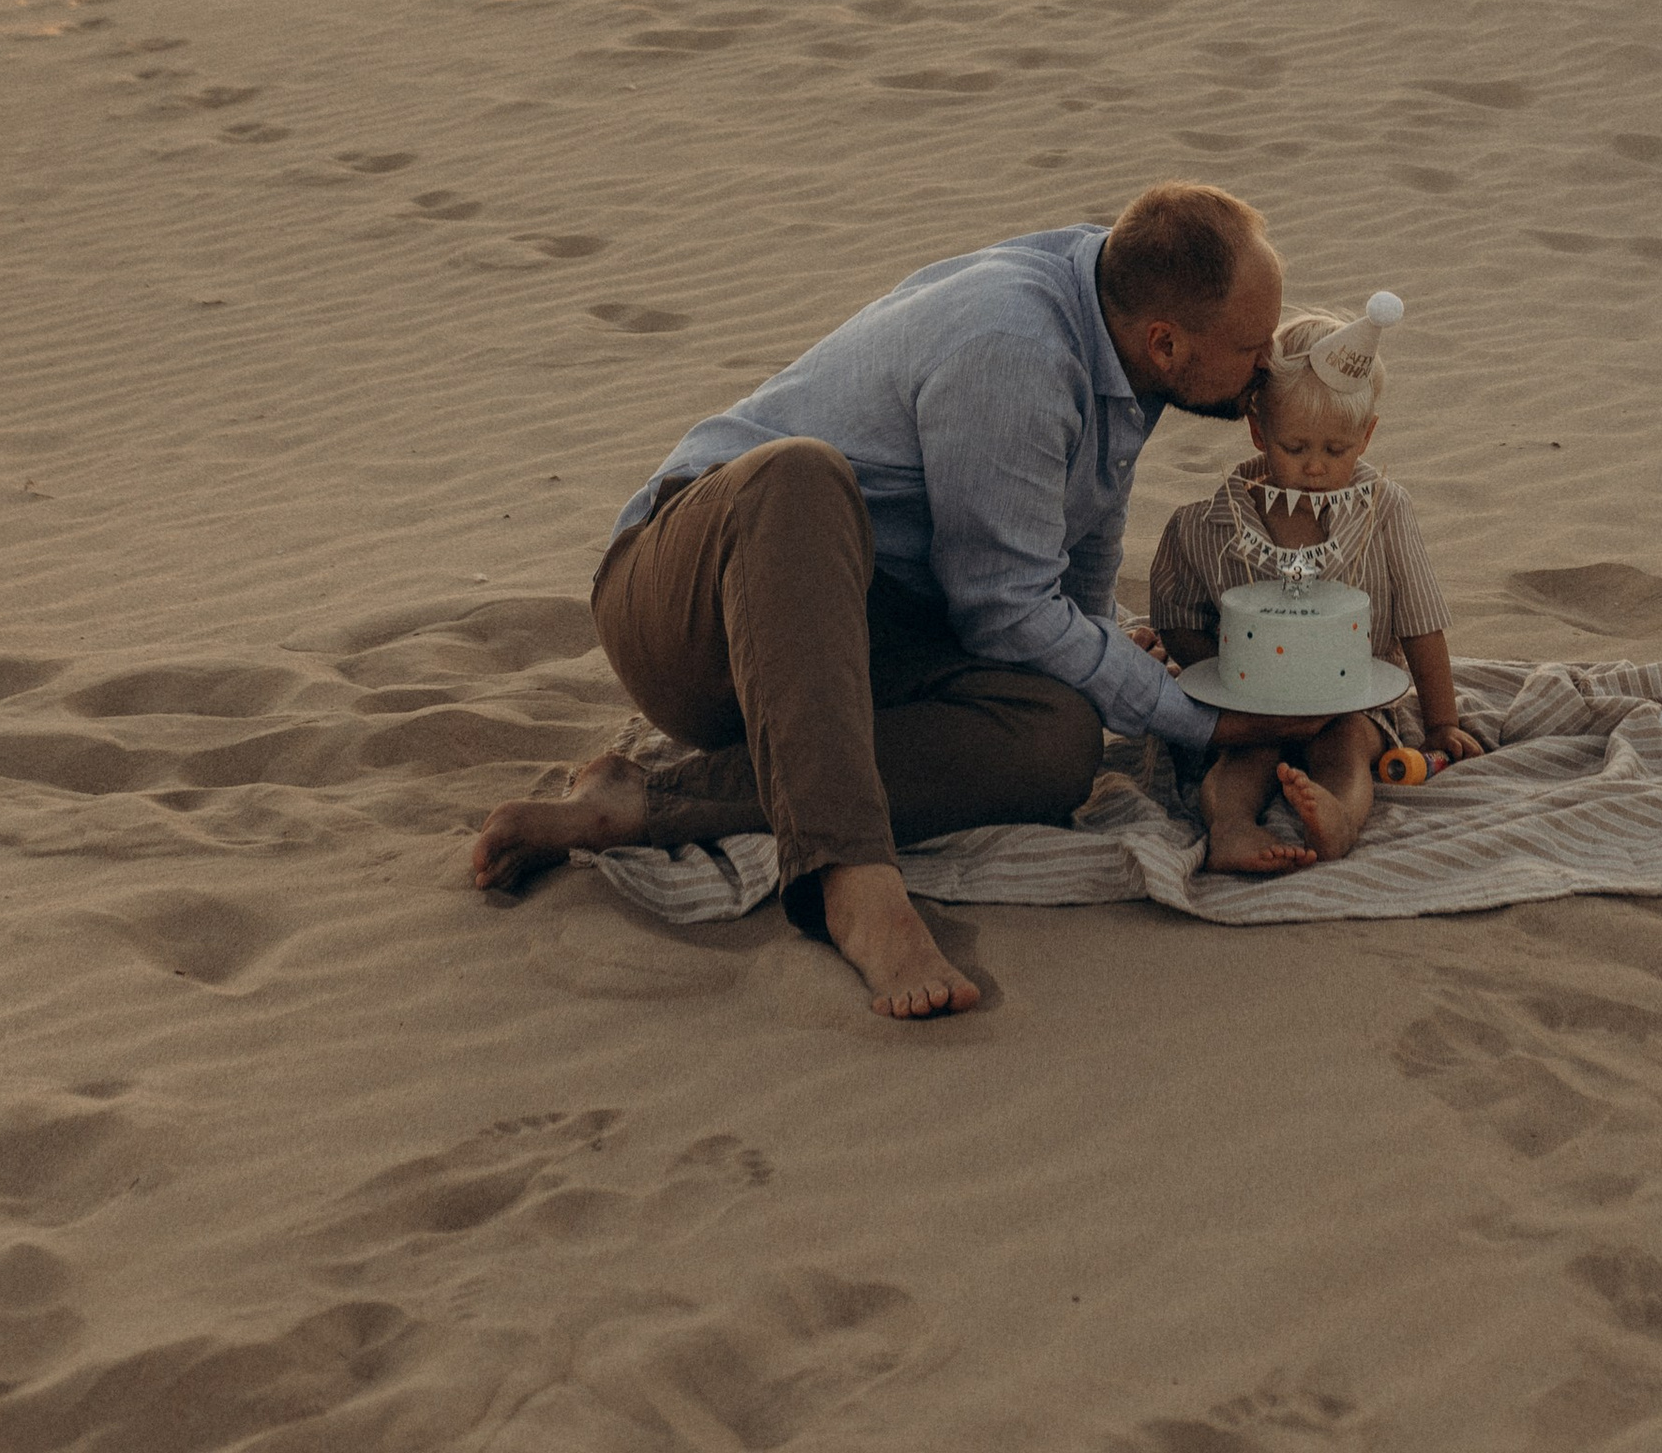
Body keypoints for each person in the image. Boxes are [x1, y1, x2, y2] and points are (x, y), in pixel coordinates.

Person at [470, 183, 1326, 1017]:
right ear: (1168, 342)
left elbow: (1070, 548)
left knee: (1059, 736)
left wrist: (1109, 647)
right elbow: (1005, 607)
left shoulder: (1117, 307)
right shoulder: (1015, 345)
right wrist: (1199, 720)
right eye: (1254, 345)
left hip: (867, 624)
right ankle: (852, 880)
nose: (1269, 364)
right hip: (691, 600)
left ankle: (644, 803)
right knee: (800, 474)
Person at [1149, 297, 1479, 876]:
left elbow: (1421, 624)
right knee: (1241, 757)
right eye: (1295, 448)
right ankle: (1230, 829)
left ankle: (1338, 818)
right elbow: (1177, 617)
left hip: (1353, 700)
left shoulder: (1386, 511)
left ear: (1368, 436)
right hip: (1251, 705)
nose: (1316, 467)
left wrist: (1442, 722)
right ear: (1258, 429)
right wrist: (1227, 677)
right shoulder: (1205, 526)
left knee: (1349, 748)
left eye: (1337, 449)